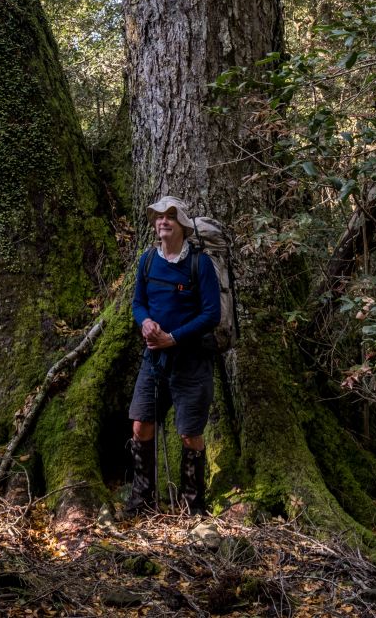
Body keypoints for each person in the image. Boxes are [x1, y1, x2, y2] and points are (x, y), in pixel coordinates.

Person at [126, 195, 221, 516]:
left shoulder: (200, 264)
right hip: (154, 361)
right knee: (140, 424)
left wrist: (173, 338)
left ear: (182, 224)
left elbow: (212, 314)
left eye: (170, 216)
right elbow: (138, 303)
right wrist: (146, 323)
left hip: (192, 362)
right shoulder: (147, 261)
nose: (162, 221)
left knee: (190, 433)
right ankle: (141, 502)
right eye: (158, 216)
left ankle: (194, 507)